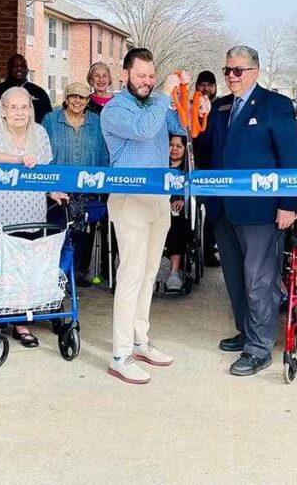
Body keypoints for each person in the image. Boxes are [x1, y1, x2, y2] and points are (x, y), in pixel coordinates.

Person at [197, 45, 297, 377]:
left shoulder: (277, 106)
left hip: (261, 211)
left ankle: (259, 348)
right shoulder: (219, 106)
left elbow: (290, 158)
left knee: (259, 279)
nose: (230, 76)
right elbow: (204, 150)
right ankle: (247, 332)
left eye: (237, 71)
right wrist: (200, 117)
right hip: (223, 208)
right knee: (235, 278)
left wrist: (289, 204)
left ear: (255, 72)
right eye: (227, 70)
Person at [101, 48, 198, 384]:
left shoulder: (155, 104)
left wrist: (192, 101)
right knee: (130, 275)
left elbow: (183, 127)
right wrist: (163, 94)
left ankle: (140, 340)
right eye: (141, 76)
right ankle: (119, 354)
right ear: (125, 75)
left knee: (149, 273)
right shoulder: (115, 110)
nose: (147, 82)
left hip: (157, 198)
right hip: (129, 201)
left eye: (151, 76)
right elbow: (144, 130)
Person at [0, 87, 68, 349]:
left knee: (26, 265)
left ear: (31, 110)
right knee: (0, 265)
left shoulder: (39, 132)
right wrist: (19, 159)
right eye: (13, 107)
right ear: (3, 111)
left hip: (30, 209)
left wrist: (53, 189)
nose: (19, 112)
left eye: (25, 107)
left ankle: (20, 322)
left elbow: (44, 168)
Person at [42, 81, 109, 289]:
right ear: (66, 98)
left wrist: (102, 184)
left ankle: (76, 271)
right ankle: (55, 273)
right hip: (56, 188)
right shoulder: (50, 120)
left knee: (81, 234)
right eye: (73, 97)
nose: (77, 101)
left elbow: (103, 154)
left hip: (87, 189)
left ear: (88, 100)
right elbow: (42, 152)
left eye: (82, 97)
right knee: (57, 231)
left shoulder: (97, 123)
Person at [0, 54, 52, 143]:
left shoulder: (39, 92)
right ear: (8, 70)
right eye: (15, 66)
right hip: (0, 143)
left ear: (27, 70)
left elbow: (48, 121)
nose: (19, 68)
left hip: (32, 142)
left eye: (23, 66)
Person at [192, 69, 221, 268]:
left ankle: (209, 251)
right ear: (196, 87)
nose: (206, 88)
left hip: (216, 168)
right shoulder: (188, 107)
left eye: (210, 85)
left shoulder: (221, 107)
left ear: (215, 88)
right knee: (190, 213)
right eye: (202, 84)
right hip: (194, 165)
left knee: (213, 214)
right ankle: (190, 250)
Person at [164, 134, 191, 291]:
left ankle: (174, 273)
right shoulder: (158, 166)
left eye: (178, 146)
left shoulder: (190, 170)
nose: (174, 149)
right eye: (171, 145)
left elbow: (199, 193)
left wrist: (184, 200)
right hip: (157, 208)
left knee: (178, 223)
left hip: (179, 214)